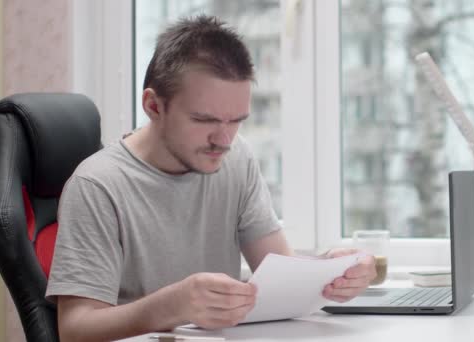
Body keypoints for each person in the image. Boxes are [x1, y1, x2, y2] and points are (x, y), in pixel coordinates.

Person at [46, 15, 376, 341]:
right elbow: (75, 330)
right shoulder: (97, 185)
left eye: (236, 121)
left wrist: (331, 275)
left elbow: (280, 273)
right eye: (205, 120)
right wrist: (172, 306)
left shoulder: (236, 158)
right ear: (154, 106)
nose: (224, 139)